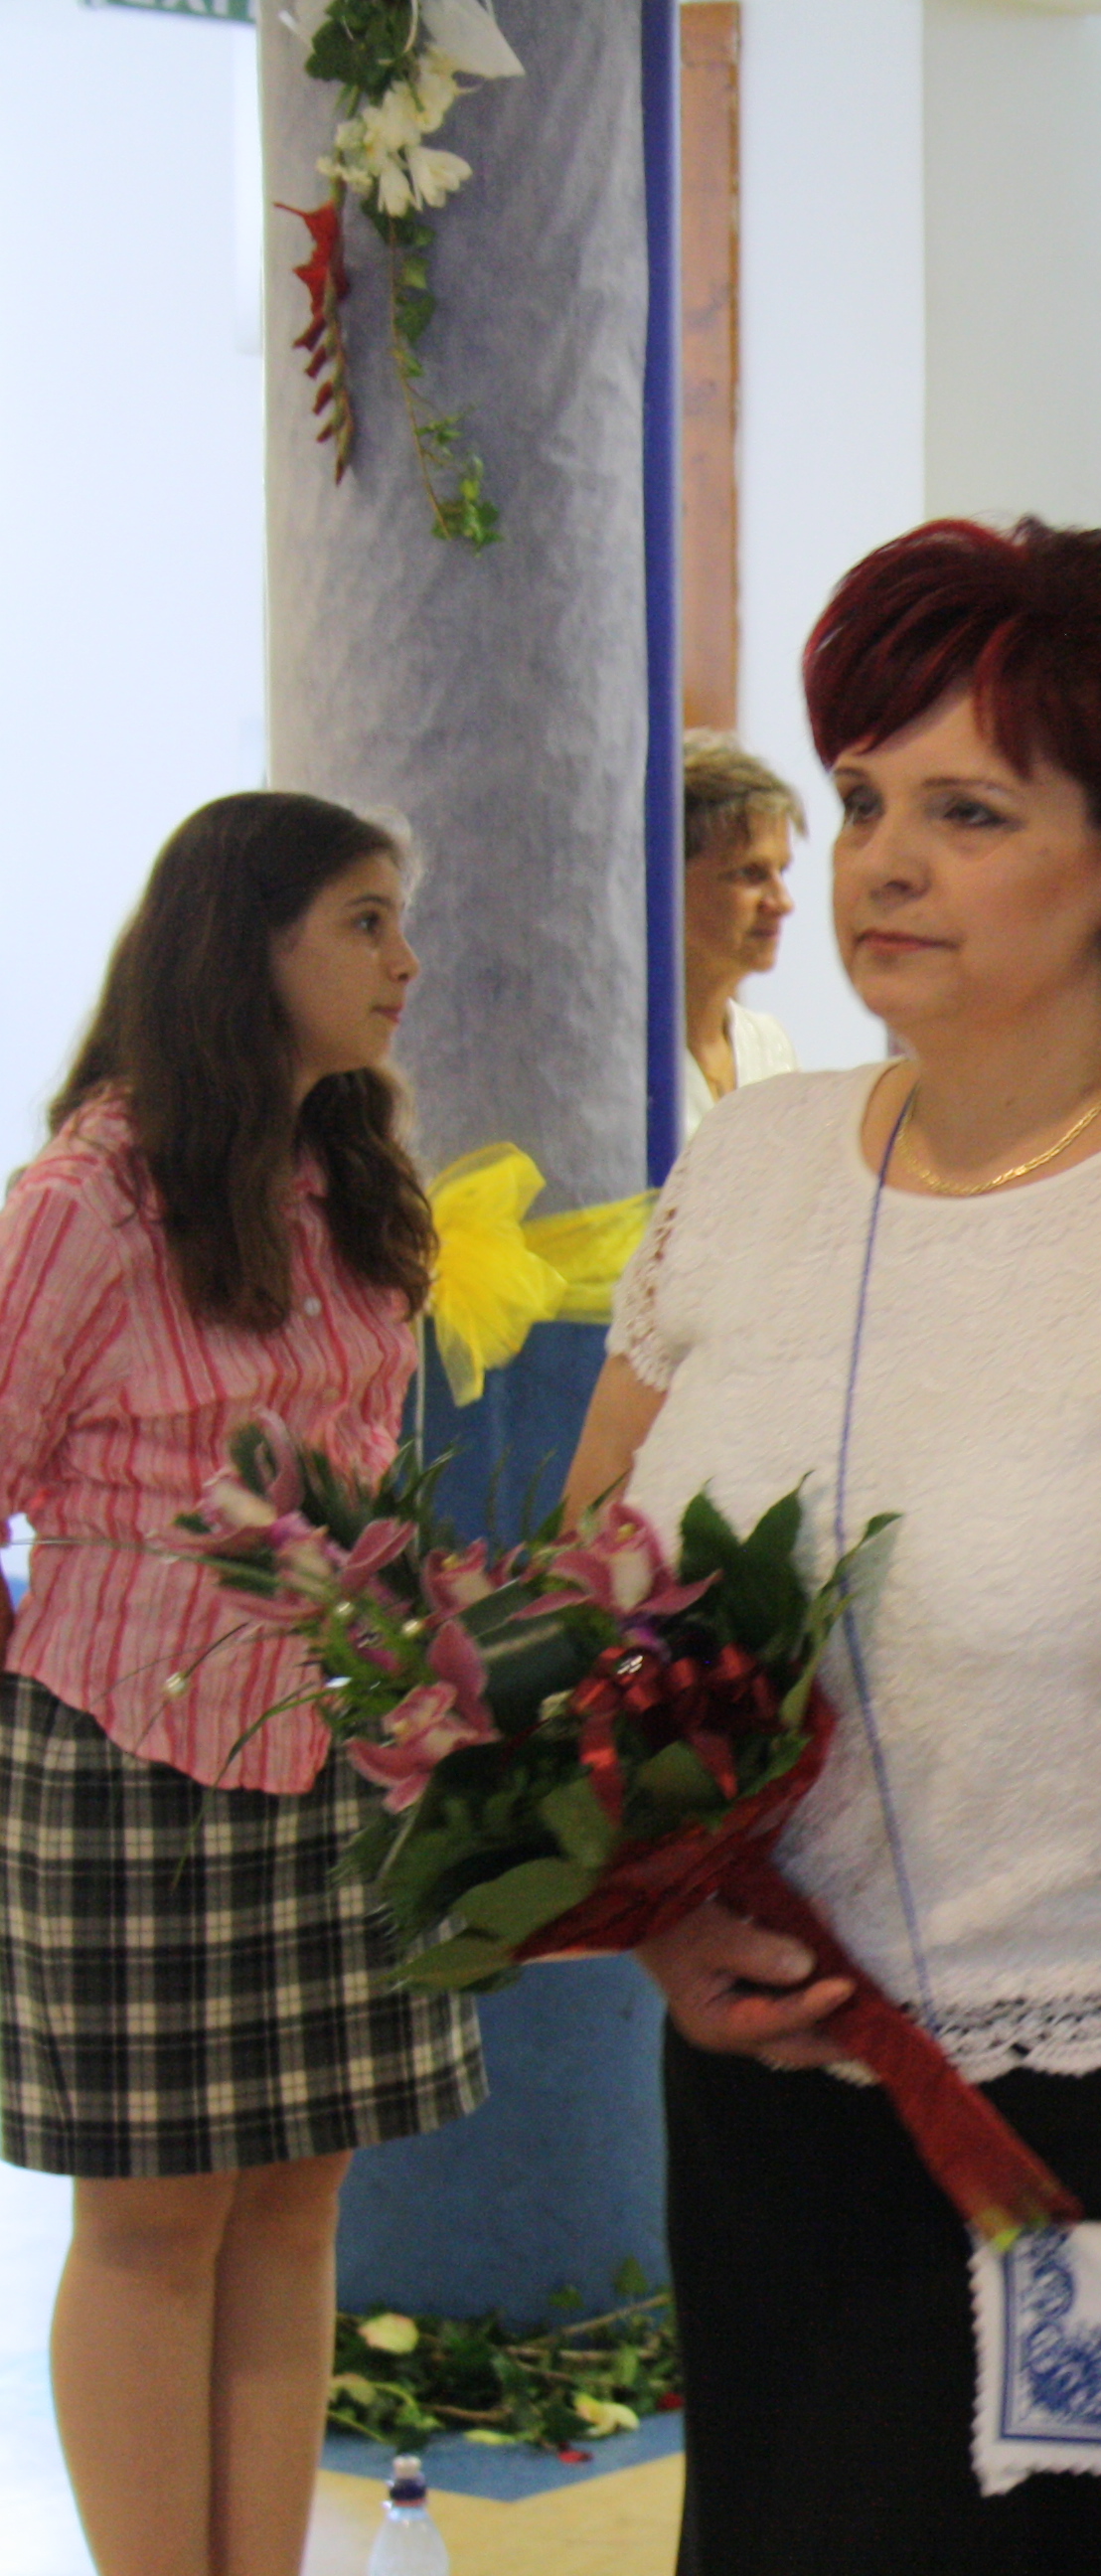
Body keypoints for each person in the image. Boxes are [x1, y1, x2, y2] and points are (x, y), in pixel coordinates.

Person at [561, 519, 1101, 2570]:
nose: (881, 864)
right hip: (777, 2076)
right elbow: (585, 1595)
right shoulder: (751, 1166)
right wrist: (652, 1906)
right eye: (861, 802)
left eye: (969, 812)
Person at [0, 792, 481, 2576]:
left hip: (340, 1742)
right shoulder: (87, 1196)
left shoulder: (349, 1183)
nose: (404, 959)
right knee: (152, 2226)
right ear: (244, 942)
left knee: (294, 2200)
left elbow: (375, 1472)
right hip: (129, 1748)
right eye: (364, 919)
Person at [680, 729, 806, 1128]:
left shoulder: (769, 1047)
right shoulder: (619, 1057)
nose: (782, 902)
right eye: (750, 874)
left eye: (782, 871)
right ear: (668, 880)